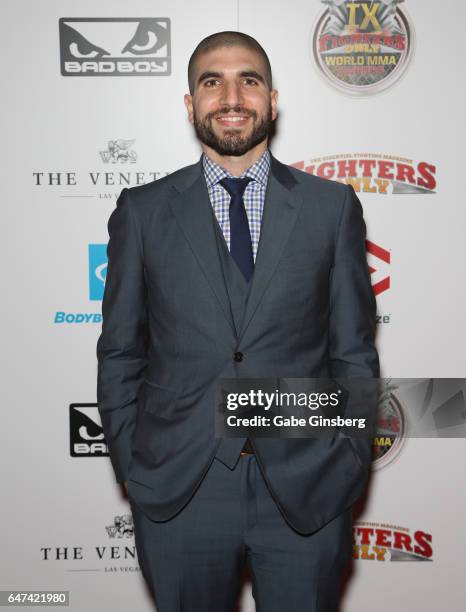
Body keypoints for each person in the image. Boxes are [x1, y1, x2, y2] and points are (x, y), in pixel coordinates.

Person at [96, 30, 379, 612]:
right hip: (180, 489)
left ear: (271, 100)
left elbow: (353, 352)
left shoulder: (332, 208)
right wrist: (133, 462)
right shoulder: (143, 212)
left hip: (307, 487)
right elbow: (122, 352)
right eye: (211, 82)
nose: (231, 96)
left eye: (248, 80)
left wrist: (348, 457)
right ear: (190, 104)